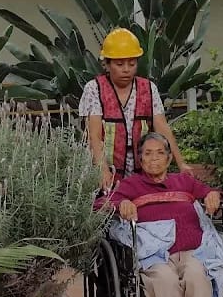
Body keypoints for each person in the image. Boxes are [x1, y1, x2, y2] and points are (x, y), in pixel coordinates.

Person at [101, 132, 223, 297]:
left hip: (191, 251)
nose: (154, 159)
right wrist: (121, 204)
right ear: (140, 160)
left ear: (169, 159)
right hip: (155, 256)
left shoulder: (184, 182)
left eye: (160, 153)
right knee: (166, 279)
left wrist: (212, 195)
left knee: (197, 276)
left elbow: (210, 193)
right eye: (148, 154)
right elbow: (102, 203)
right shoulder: (130, 186)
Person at [79, 28, 192, 191]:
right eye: (119, 64)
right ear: (107, 64)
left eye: (132, 63)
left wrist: (181, 163)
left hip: (144, 176)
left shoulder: (148, 88)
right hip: (108, 175)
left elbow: (163, 128)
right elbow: (94, 136)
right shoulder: (94, 89)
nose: (126, 69)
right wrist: (101, 170)